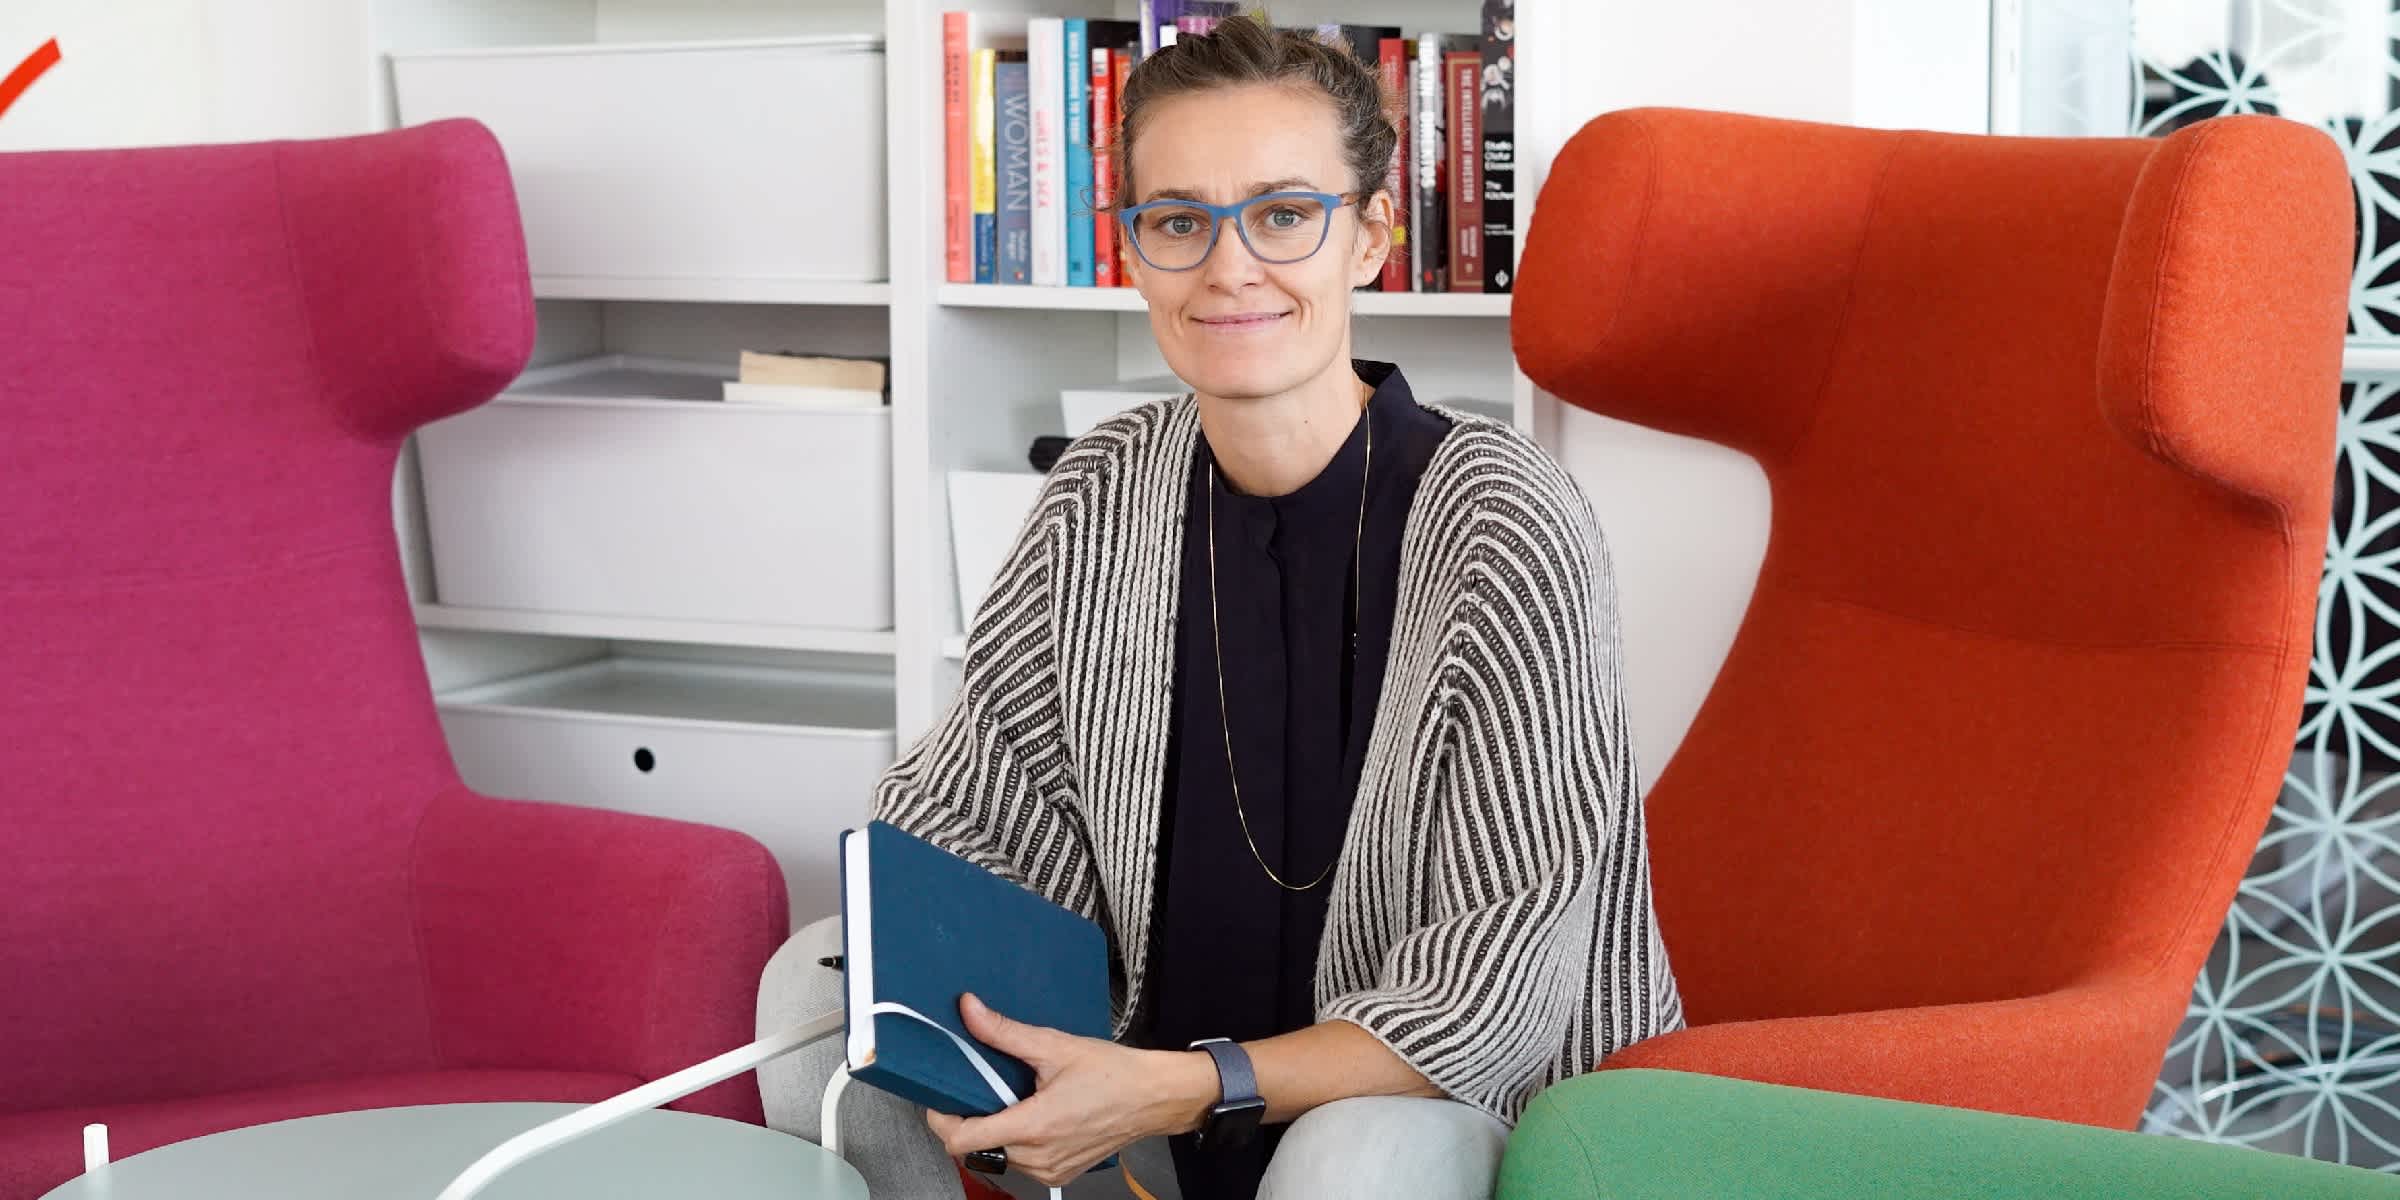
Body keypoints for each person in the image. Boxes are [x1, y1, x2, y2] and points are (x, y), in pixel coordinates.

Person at [759, 16, 1682, 1199]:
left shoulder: (1506, 519)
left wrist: (1180, 1084)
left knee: (1352, 1155)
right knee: (810, 995)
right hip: (1140, 1096)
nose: (1230, 266)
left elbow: (1495, 994)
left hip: (1430, 1100)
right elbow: (971, 809)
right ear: (1133, 252)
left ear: (1369, 239)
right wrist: (927, 960)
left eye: (1284, 214)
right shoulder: (1102, 489)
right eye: (1180, 221)